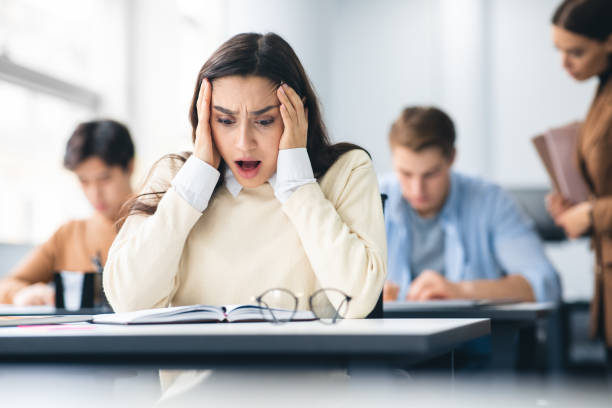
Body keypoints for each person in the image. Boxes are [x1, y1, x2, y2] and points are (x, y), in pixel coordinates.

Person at [103, 33, 386, 321]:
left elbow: (357, 301)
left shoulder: (346, 171)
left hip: (303, 367)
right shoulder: (176, 177)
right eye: (225, 121)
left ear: (298, 114)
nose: (243, 143)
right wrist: (195, 183)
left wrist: (298, 185)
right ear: (204, 120)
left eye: (264, 121)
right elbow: (128, 302)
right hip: (195, 367)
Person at [381, 107, 561, 303]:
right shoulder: (370, 199)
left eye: (430, 174)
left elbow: (545, 283)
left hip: (478, 333)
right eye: (406, 174)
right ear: (393, 161)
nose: (417, 190)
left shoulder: (491, 201)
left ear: (451, 158)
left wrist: (461, 291)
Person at [0, 120, 135, 305]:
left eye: (104, 179)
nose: (94, 194)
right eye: (84, 181)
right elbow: (7, 285)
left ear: (131, 167)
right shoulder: (69, 234)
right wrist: (20, 294)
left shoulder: (156, 224)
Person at [547, 0, 612, 357]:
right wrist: (577, 205)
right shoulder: (602, 90)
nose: (564, 63)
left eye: (576, 52)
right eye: (559, 50)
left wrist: (591, 214)